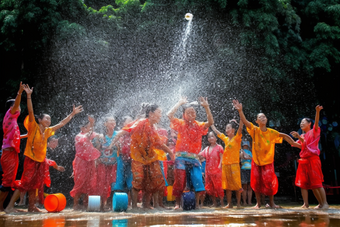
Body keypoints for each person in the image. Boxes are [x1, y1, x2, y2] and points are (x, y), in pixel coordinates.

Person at [5, 84, 83, 213]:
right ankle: (9, 207)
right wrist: (28, 95)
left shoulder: (47, 131)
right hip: (30, 158)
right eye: (46, 118)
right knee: (25, 182)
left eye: (50, 118)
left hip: (40, 160)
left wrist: (72, 114)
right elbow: (30, 111)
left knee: (35, 184)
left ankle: (31, 207)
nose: (49, 120)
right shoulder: (33, 126)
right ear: (39, 119)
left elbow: (61, 123)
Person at [109, 103, 174, 210]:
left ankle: (151, 205)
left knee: (155, 179)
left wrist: (171, 153)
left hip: (151, 158)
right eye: (159, 113)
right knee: (138, 180)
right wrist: (112, 144)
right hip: (138, 158)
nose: (160, 115)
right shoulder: (141, 122)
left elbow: (159, 143)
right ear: (151, 113)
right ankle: (134, 207)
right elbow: (123, 131)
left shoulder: (153, 127)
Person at [232, 99, 296, 209]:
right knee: (256, 183)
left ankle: (271, 203)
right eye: (260, 117)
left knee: (270, 182)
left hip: (268, 162)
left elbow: (283, 135)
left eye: (264, 116)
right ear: (256, 121)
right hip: (256, 161)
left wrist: (293, 143)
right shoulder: (255, 130)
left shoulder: (271, 132)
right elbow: (246, 122)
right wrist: (240, 111)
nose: (263, 118)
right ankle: (258, 204)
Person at [167, 96, 214, 210]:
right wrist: (179, 103)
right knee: (179, 180)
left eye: (193, 112)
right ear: (184, 115)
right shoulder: (180, 123)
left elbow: (211, 122)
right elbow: (169, 115)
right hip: (180, 157)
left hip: (194, 158)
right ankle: (177, 204)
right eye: (189, 112)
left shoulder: (198, 125)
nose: (192, 113)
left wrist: (207, 107)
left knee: (197, 179)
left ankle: (197, 204)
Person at [290, 105, 329, 209]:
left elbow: (316, 123)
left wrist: (317, 112)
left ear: (309, 124)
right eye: (301, 122)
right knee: (312, 185)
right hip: (304, 160)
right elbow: (298, 145)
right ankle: (320, 204)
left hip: (313, 159)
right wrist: (283, 137)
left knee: (317, 182)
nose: (301, 123)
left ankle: (325, 203)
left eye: (304, 122)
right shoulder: (302, 135)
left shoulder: (314, 132)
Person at [0, 82, 25, 211]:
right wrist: (20, 92)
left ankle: (5, 207)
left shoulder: (11, 120)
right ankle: (1, 208)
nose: (19, 108)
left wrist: (26, 136)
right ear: (11, 107)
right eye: (17, 105)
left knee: (9, 181)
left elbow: (13, 137)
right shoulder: (10, 113)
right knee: (7, 181)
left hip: (10, 152)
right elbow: (15, 104)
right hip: (9, 153)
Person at [70, 116, 101, 210]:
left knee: (90, 183)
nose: (89, 129)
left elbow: (97, 135)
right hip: (81, 162)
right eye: (87, 127)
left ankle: (86, 205)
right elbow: (87, 136)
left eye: (90, 127)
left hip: (90, 162)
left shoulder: (90, 134)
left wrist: (101, 137)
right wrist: (92, 124)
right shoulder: (79, 136)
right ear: (82, 128)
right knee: (80, 183)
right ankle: (75, 205)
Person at [211, 119, 244, 208]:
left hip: (234, 164)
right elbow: (218, 133)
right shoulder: (226, 139)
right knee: (227, 186)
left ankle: (238, 204)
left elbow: (240, 128)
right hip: (226, 165)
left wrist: (241, 116)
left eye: (228, 128)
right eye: (226, 128)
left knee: (237, 185)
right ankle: (229, 204)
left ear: (233, 130)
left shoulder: (237, 138)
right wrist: (212, 125)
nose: (226, 130)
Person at [95, 116, 118, 211]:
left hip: (115, 164)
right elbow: (96, 149)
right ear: (105, 124)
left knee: (114, 184)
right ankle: (101, 205)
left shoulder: (118, 135)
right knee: (102, 184)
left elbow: (121, 150)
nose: (113, 122)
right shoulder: (100, 137)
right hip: (103, 164)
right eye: (110, 121)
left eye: (114, 120)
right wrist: (97, 159)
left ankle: (113, 204)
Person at [198, 131, 224, 207]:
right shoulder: (206, 148)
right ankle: (215, 203)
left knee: (219, 187)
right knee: (210, 188)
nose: (210, 138)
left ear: (216, 138)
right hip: (208, 171)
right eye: (209, 137)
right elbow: (199, 155)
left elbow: (222, 158)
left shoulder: (219, 147)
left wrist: (220, 166)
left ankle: (222, 203)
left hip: (217, 170)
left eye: (212, 136)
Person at [113, 116, 133, 208]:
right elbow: (116, 146)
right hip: (121, 158)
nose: (131, 123)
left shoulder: (133, 132)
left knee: (131, 181)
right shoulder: (119, 133)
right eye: (128, 121)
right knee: (120, 180)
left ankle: (130, 203)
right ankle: (118, 202)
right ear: (123, 123)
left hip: (131, 159)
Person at [240, 140, 253, 206]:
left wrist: (248, 157)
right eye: (244, 145)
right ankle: (244, 202)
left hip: (250, 169)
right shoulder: (241, 151)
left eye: (246, 145)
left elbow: (252, 159)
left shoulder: (250, 152)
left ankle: (249, 202)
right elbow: (243, 157)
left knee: (250, 186)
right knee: (244, 186)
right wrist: (248, 157)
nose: (245, 146)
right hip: (243, 169)